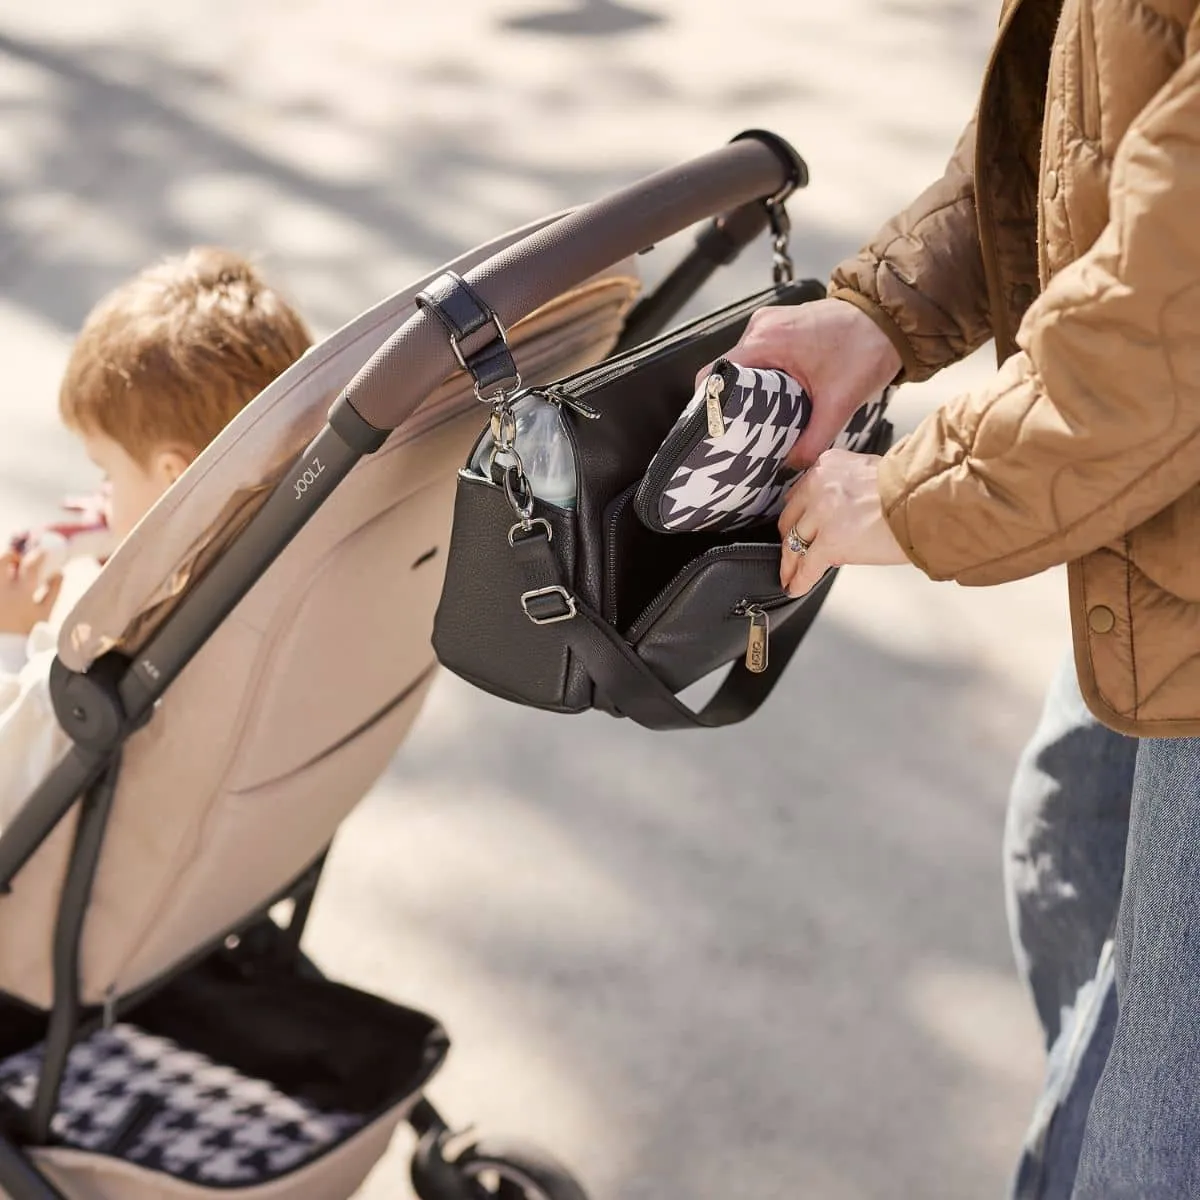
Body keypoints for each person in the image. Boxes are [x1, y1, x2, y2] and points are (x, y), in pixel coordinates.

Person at [726, 1, 1200, 1195]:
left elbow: (1172, 304)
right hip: (1164, 534)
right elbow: (1093, 103)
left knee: (1157, 1133)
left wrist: (920, 493)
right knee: (1072, 845)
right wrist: (883, 310)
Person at [0, 246, 312, 819]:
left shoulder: (108, 667)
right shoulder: (301, 561)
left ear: (174, 475)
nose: (100, 495)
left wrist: (14, 639)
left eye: (107, 474)